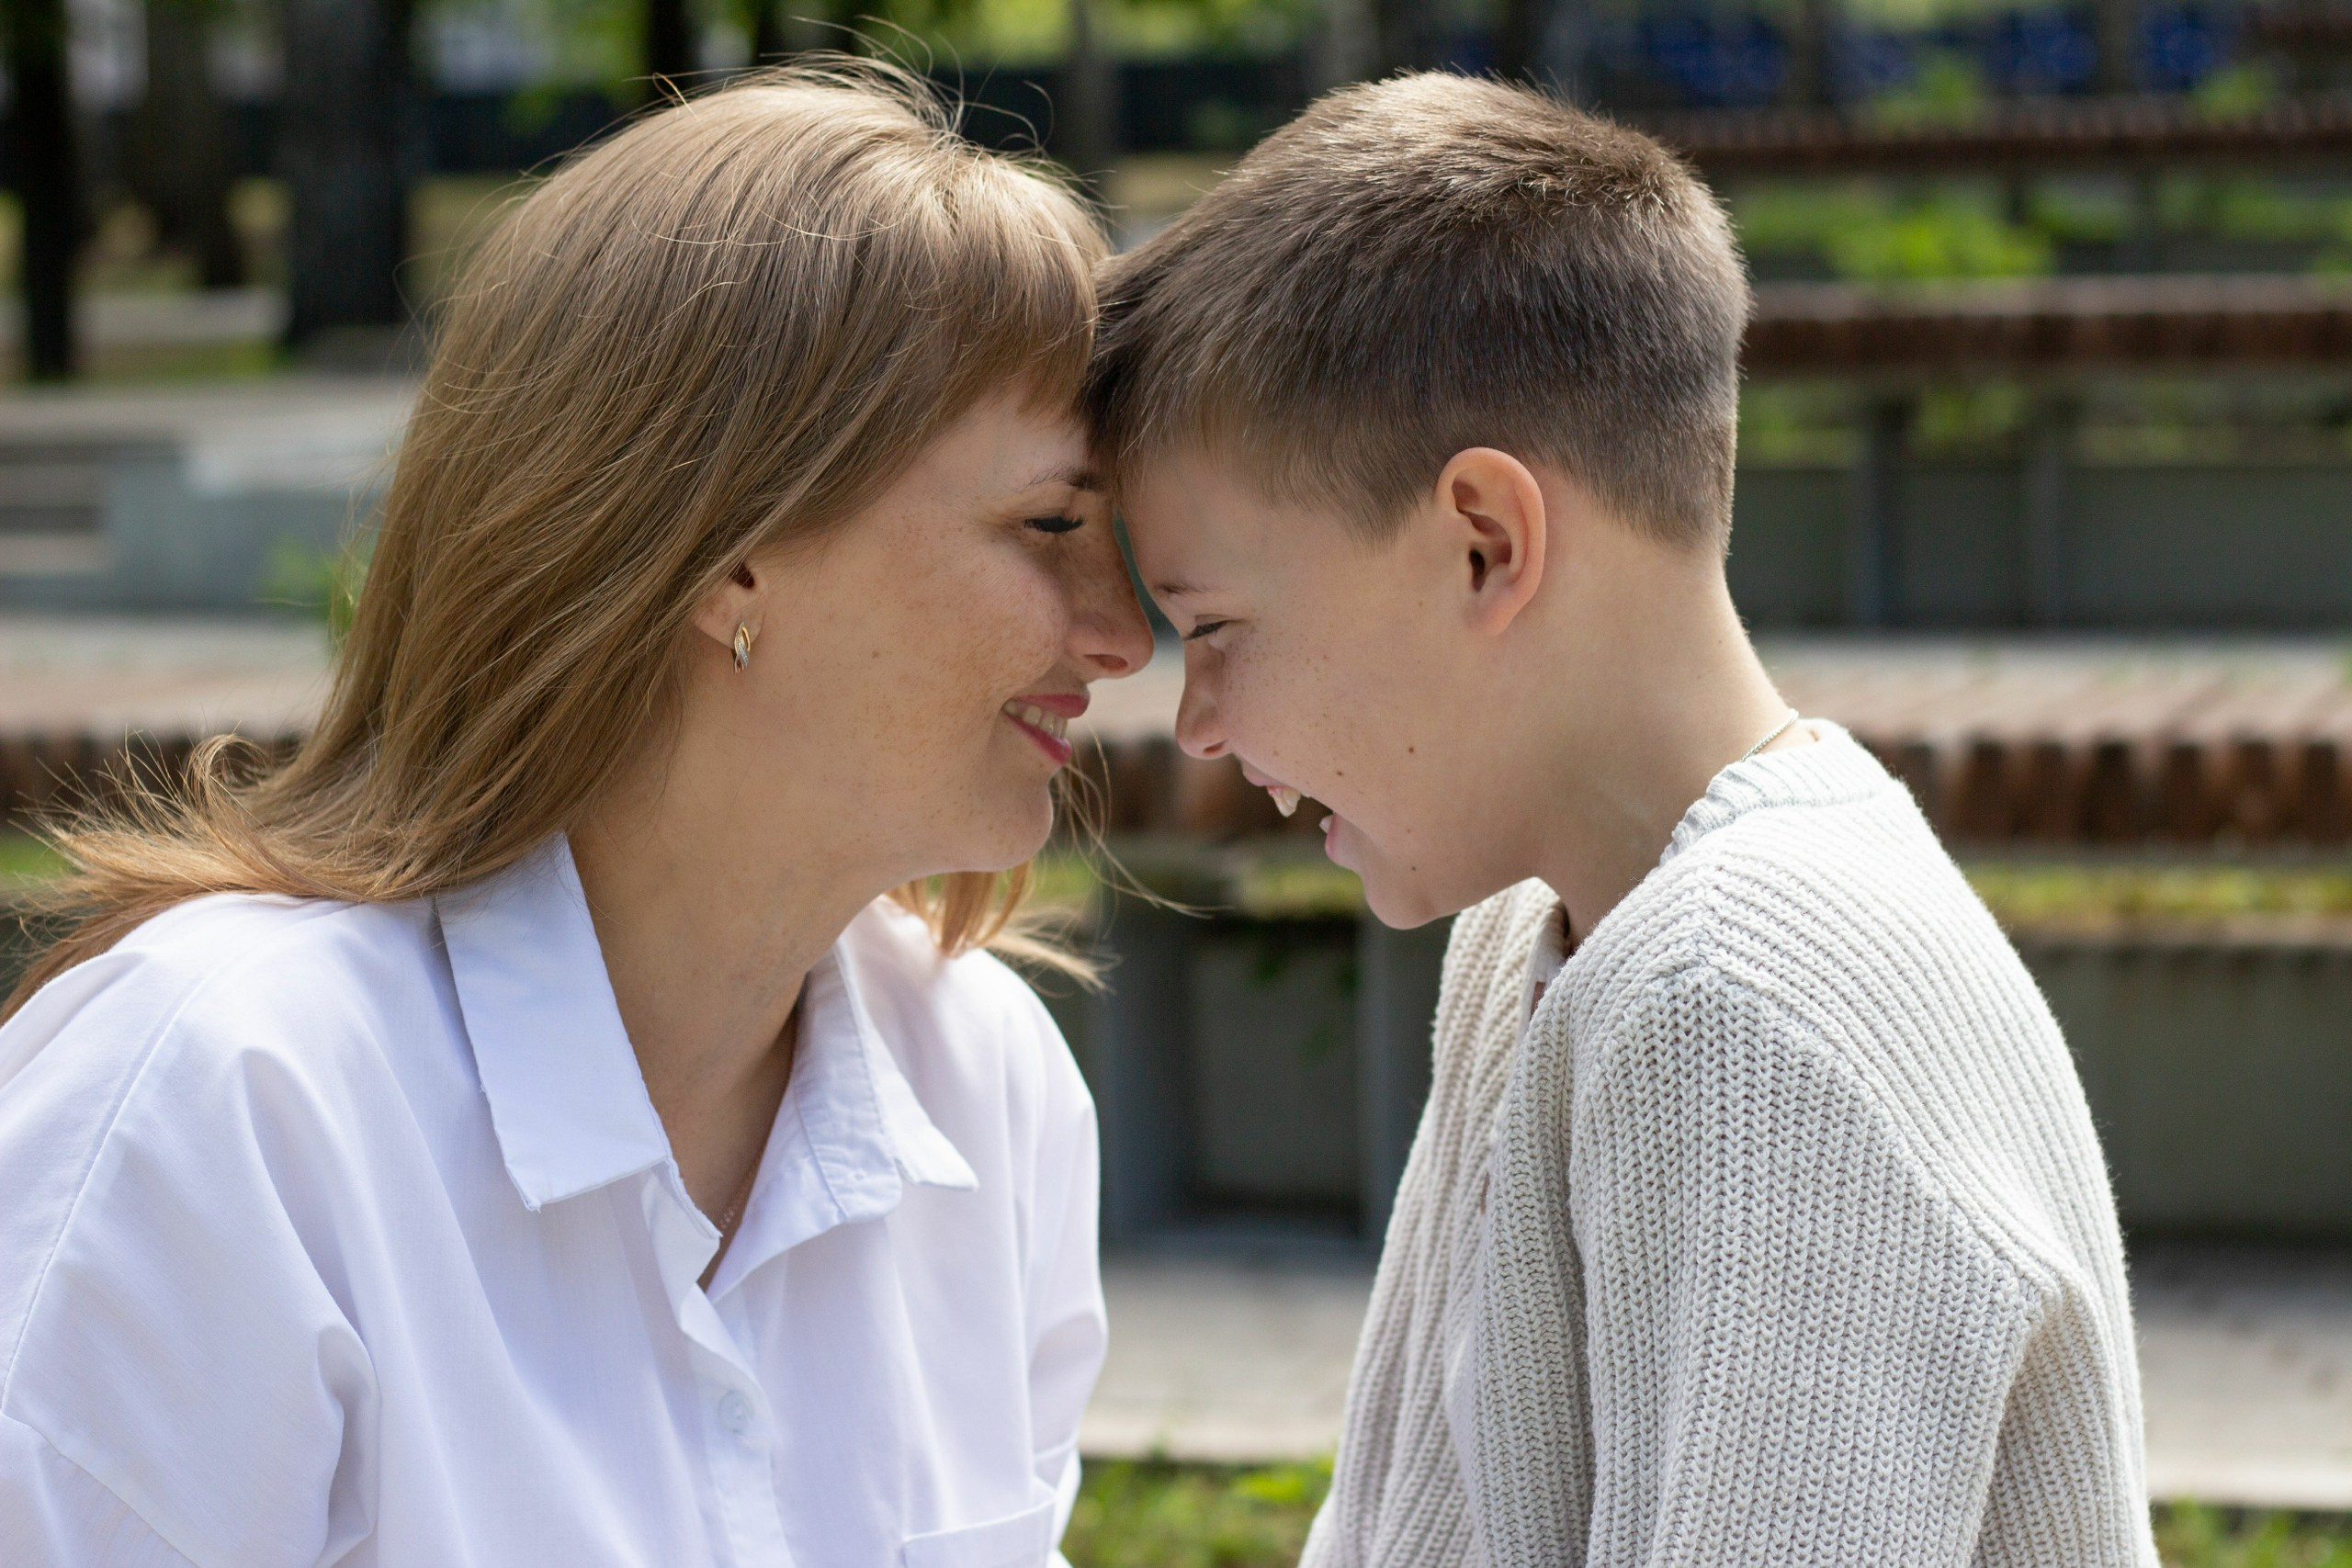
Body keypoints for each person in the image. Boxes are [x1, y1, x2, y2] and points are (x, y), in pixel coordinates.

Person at [0, 65, 1151, 1568]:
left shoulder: (987, 1085)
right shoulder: (229, 1100)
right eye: (1051, 527)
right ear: (728, 549)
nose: (1121, 634)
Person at [1089, 73, 2155, 1568]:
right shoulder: (1540, 930)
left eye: (1211, 627)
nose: (1197, 722)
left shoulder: (1746, 1004)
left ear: (1483, 544)